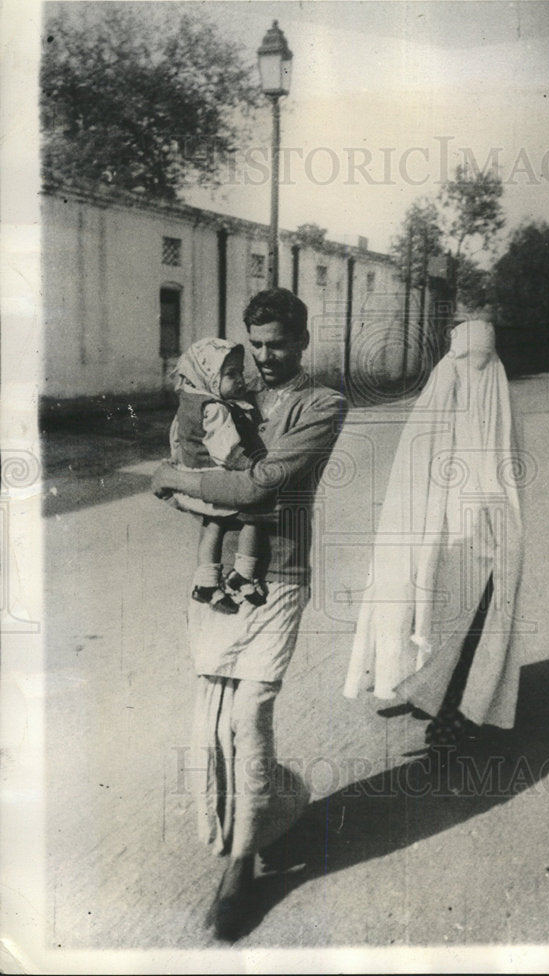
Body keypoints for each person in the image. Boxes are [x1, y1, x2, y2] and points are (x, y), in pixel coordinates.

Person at [152, 288, 346, 940]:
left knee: (250, 713)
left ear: (303, 341)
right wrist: (183, 474)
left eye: (279, 344)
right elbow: (187, 457)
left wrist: (179, 480)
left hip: (282, 575)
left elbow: (256, 484)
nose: (266, 357)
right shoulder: (224, 384)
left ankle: (240, 872)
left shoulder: (323, 404)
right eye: (256, 344)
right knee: (212, 723)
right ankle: (275, 801)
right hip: (220, 581)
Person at [344, 312, 528, 747]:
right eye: (470, 362)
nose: (476, 372)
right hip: (459, 530)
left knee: (466, 619)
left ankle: (455, 712)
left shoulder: (474, 390)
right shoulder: (480, 389)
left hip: (479, 530)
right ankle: (426, 688)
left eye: (482, 363)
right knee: (443, 611)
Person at [168, 337, 268, 615]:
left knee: (213, 525)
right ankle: (243, 574)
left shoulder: (189, 400)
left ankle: (206, 582)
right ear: (209, 376)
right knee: (254, 514)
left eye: (240, 372)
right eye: (230, 374)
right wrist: (252, 466)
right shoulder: (215, 408)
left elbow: (176, 437)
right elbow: (227, 451)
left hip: (193, 476)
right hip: (215, 479)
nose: (239, 380)